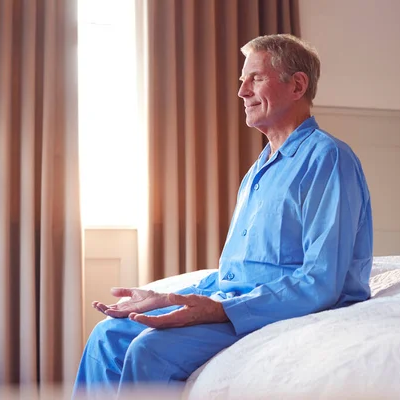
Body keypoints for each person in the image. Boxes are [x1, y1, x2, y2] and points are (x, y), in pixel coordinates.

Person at [73, 33, 373, 398]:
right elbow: (237, 269)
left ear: (297, 85)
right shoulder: (258, 170)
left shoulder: (328, 158)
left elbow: (322, 282)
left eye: (255, 78)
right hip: (233, 298)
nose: (241, 92)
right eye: (241, 80)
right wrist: (168, 298)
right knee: (106, 336)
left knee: (148, 351)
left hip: (271, 306)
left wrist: (222, 310)